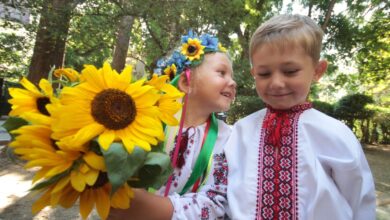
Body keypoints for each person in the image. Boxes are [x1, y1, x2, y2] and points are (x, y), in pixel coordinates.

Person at [225, 14, 376, 219]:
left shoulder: (335, 133)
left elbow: (359, 198)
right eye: (264, 74)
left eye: (290, 71)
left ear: (317, 70)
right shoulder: (241, 131)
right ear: (254, 74)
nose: (276, 82)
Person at [108, 31, 236, 219]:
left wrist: (149, 207)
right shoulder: (147, 122)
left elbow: (217, 203)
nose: (232, 82)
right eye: (222, 72)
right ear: (186, 81)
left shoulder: (228, 139)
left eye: (232, 76)